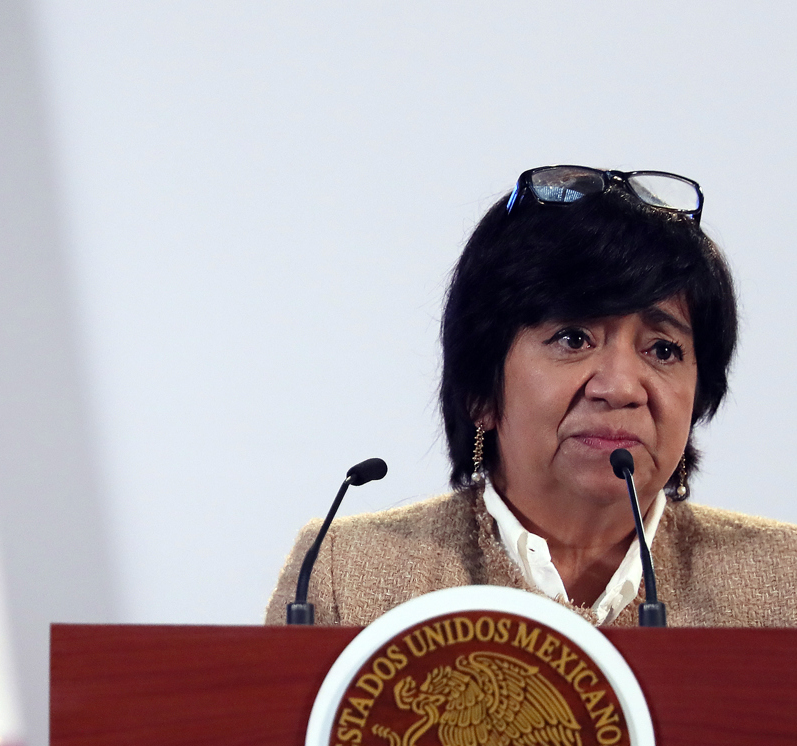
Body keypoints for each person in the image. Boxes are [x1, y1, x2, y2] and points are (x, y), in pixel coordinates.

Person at [266, 165, 797, 628]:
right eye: (573, 339)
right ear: (481, 391)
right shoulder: (347, 574)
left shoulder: (781, 581)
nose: (619, 387)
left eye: (662, 349)